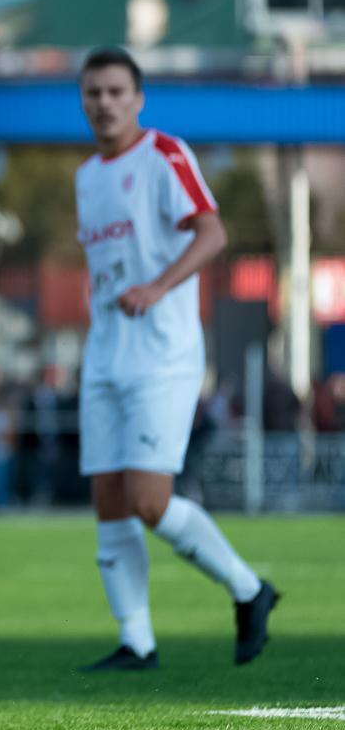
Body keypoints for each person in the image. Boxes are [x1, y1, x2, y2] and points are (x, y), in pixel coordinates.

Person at [73, 47, 278, 672]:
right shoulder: (87, 176)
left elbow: (213, 232)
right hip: (104, 353)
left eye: (116, 92)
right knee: (109, 498)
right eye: (93, 93)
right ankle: (137, 641)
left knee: (149, 500)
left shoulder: (164, 154)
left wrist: (158, 287)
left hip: (162, 355)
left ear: (138, 99)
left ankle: (248, 589)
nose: (104, 103)